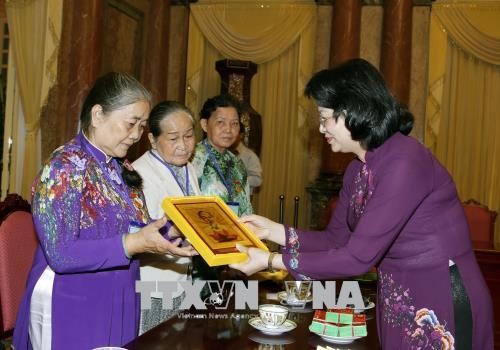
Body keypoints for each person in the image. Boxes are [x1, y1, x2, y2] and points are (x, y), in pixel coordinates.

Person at [230, 59, 493, 349]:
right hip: (398, 294)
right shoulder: (358, 169)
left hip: (438, 295)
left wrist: (270, 260)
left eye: (324, 117)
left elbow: (357, 258)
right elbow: (336, 239)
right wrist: (272, 231)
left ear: (352, 110)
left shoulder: (404, 161)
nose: (320, 128)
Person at [13, 73, 196, 350]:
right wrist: (133, 242)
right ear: (98, 114)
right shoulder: (64, 167)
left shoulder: (121, 167)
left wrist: (174, 233)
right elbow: (61, 253)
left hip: (119, 288)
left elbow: (138, 227)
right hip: (71, 298)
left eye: (142, 126)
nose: (136, 135)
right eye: (131, 123)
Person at [132, 101, 201, 334]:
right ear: (152, 139)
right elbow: (138, 235)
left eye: (189, 136)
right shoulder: (138, 175)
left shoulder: (188, 168)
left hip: (183, 279)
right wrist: (179, 228)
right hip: (154, 283)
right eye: (173, 139)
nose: (183, 145)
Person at [191, 94, 252, 217]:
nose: (228, 130)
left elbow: (247, 208)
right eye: (220, 122)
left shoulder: (237, 164)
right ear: (204, 124)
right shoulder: (192, 159)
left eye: (234, 123)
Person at [231, 122, 263, 194]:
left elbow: (257, 180)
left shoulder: (250, 156)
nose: (230, 136)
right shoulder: (222, 152)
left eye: (234, 133)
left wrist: (237, 181)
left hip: (242, 202)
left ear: (241, 135)